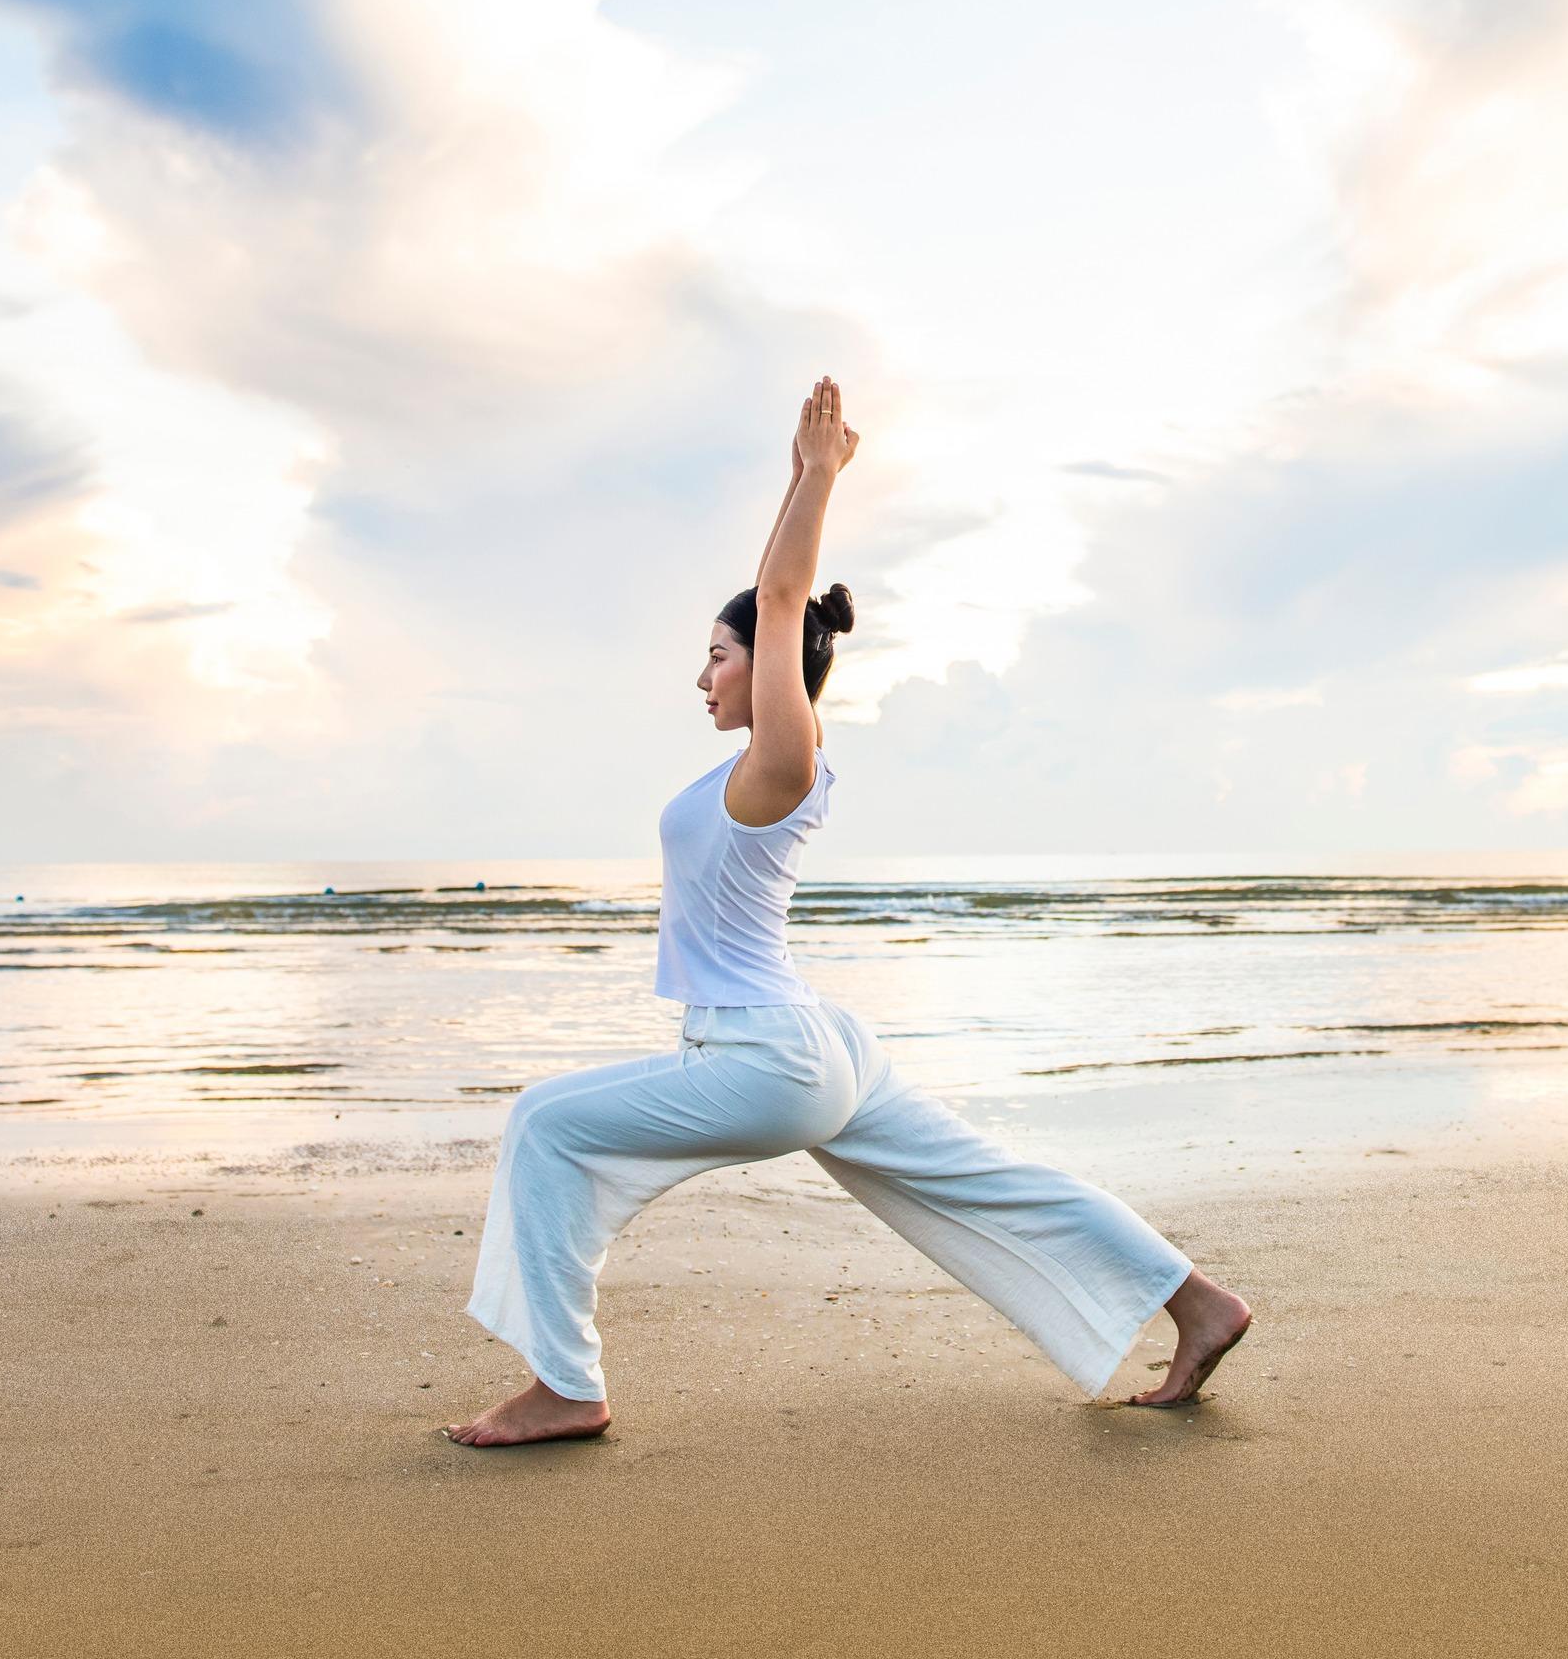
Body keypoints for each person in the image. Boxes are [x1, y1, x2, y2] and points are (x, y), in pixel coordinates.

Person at [445, 375, 1251, 1446]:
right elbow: (772, 601)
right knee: (990, 1179)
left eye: (717, 656)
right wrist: (794, 475)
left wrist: (820, 478)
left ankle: (566, 1384)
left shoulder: (783, 765)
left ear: (774, 671)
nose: (701, 674)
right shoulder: (752, 774)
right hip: (821, 1046)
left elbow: (780, 602)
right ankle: (1198, 1301)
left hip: (764, 1056)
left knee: (543, 1122)